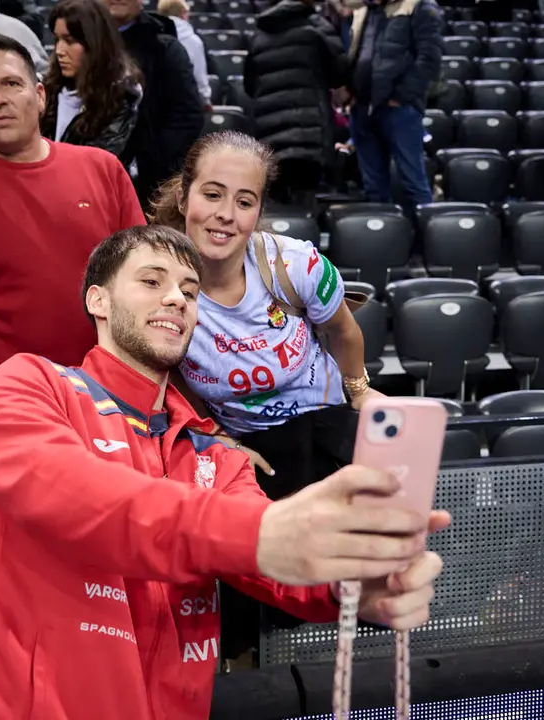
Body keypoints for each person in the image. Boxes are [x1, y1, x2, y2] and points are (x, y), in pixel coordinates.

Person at [0, 222, 450, 719]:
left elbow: (270, 562)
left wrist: (354, 584)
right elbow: (68, 493)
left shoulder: (212, 456)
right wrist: (263, 531)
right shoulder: (28, 385)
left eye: (190, 290)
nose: (176, 298)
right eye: (151, 281)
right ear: (98, 300)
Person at [151, 130, 384, 658]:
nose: (225, 215)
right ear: (185, 196)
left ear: (259, 211)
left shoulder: (293, 264)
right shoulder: (161, 284)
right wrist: (213, 437)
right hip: (245, 442)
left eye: (244, 201)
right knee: (244, 566)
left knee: (346, 562)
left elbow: (345, 332)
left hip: (320, 421)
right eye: (212, 194)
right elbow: (167, 379)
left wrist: (360, 389)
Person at [0, 32, 147, 413]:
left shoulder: (103, 169)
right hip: (10, 410)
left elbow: (142, 285)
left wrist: (132, 385)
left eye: (11, 84)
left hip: (114, 399)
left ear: (39, 95)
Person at [102, 0, 204, 209]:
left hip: (150, 185)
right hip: (93, 179)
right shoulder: (77, 44)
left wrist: (153, 162)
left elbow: (188, 114)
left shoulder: (165, 47)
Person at [245, 0, 348, 205]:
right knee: (305, 204)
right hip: (309, 135)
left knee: (274, 209)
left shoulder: (260, 33)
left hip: (269, 137)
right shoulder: (317, 26)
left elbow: (249, 86)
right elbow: (340, 73)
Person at [345, 0, 444, 206]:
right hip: (362, 106)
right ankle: (382, 237)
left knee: (413, 183)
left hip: (399, 109)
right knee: (373, 187)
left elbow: (430, 58)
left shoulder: (420, 6)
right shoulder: (365, 10)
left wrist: (401, 96)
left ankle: (428, 236)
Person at [40, 0, 142, 158]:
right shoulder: (47, 88)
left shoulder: (121, 97)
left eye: (70, 41)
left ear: (94, 43)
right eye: (57, 40)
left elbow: (97, 162)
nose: (59, 50)